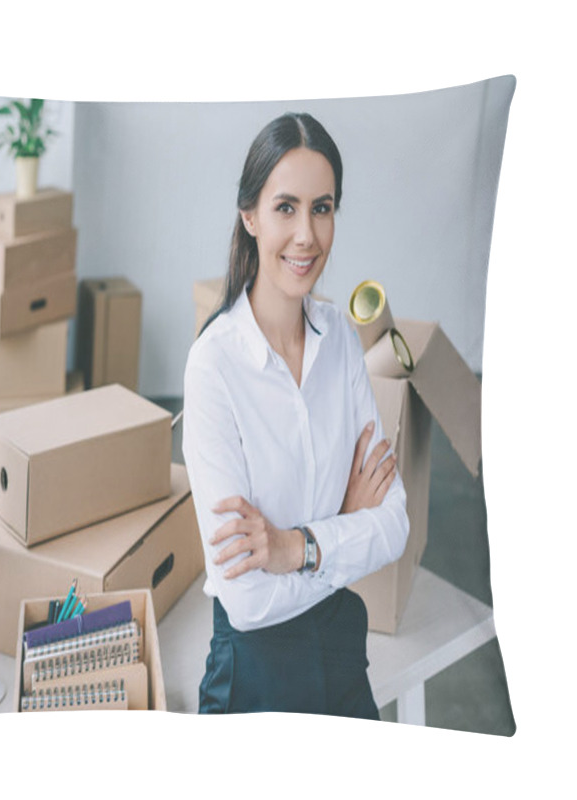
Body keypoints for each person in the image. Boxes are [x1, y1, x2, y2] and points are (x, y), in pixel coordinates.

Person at [181, 112, 409, 718]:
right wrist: (341, 527)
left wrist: (293, 547)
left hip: (339, 653)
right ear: (249, 215)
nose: (307, 234)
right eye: (286, 207)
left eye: (323, 207)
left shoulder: (339, 339)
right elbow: (247, 601)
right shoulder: (214, 368)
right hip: (254, 677)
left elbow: (394, 525)